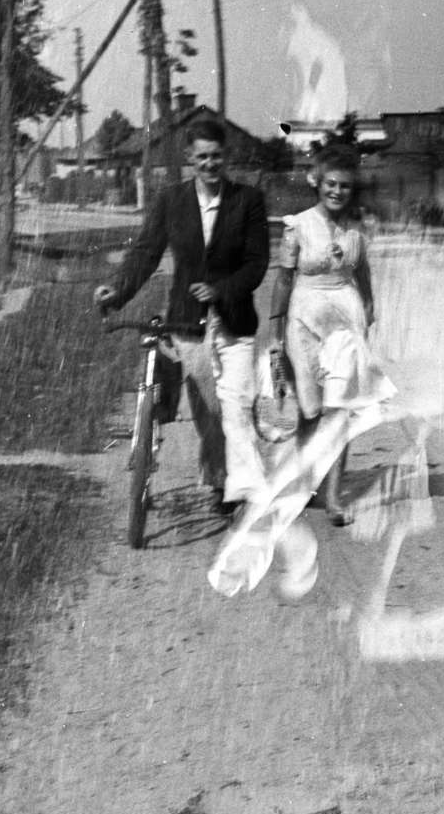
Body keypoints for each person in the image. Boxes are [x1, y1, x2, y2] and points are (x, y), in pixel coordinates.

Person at [94, 117, 269, 515]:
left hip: (234, 321)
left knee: (236, 406)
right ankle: (220, 478)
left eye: (217, 156)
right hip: (187, 322)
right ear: (189, 157)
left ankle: (236, 488)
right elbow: (145, 253)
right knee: (208, 412)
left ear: (227, 156)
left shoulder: (247, 200)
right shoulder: (170, 200)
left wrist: (221, 289)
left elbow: (258, 263)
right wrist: (118, 291)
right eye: (202, 157)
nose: (210, 164)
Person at [268, 143, 393, 524]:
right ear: (317, 183)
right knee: (309, 411)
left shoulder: (357, 230)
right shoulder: (299, 226)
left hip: (346, 323)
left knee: (339, 410)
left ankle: (335, 498)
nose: (337, 192)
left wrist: (368, 308)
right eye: (331, 184)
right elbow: (284, 279)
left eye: (345, 186)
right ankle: (306, 486)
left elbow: (363, 271)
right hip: (304, 323)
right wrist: (275, 333)